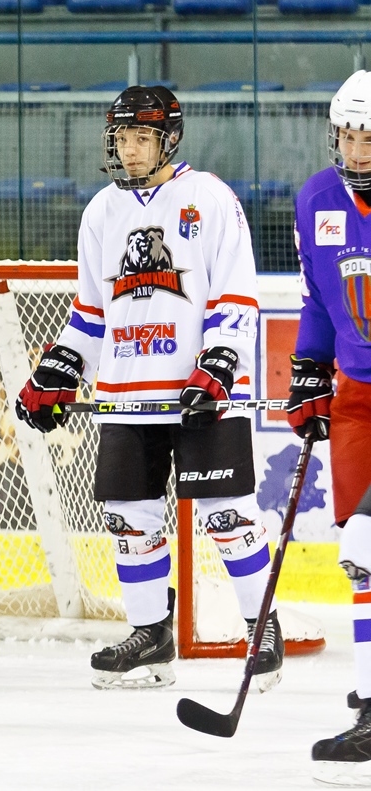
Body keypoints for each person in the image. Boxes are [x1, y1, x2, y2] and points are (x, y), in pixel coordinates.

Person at [14, 85, 283, 690]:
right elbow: (90, 315)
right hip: (126, 392)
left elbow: (236, 295)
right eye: (122, 139)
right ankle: (151, 635)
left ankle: (260, 626)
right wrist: (59, 368)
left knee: (227, 516)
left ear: (169, 139)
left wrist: (218, 366)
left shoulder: (209, 198)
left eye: (141, 138)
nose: (130, 151)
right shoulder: (100, 213)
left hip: (202, 391)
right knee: (130, 517)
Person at [291, 70, 371, 783]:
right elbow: (317, 298)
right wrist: (309, 370)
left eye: (370, 136)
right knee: (362, 553)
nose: (359, 148)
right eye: (349, 134)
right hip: (355, 399)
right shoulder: (316, 198)